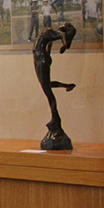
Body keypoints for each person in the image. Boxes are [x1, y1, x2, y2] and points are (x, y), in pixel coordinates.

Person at [33, 22, 77, 150]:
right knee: (46, 87)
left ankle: (55, 118)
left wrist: (65, 45)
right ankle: (66, 86)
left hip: (41, 58)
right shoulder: (51, 33)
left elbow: (62, 37)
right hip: (41, 57)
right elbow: (51, 45)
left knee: (47, 90)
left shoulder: (54, 33)